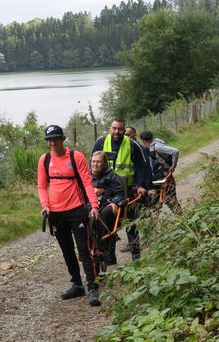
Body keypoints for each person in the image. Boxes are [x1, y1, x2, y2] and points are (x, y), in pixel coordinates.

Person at [37, 125, 102, 307]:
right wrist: (45, 205)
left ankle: (92, 287)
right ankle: (77, 284)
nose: (53, 142)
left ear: (63, 139)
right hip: (56, 214)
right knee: (67, 250)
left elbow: (88, 183)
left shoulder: (76, 156)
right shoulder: (44, 160)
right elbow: (42, 186)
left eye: (56, 138)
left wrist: (94, 206)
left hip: (76, 210)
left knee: (84, 250)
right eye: (49, 139)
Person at [92, 119, 154, 262]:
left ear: (124, 130)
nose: (116, 132)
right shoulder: (100, 142)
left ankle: (136, 256)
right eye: (114, 128)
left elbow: (142, 167)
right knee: (108, 224)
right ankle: (110, 257)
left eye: (120, 129)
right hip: (105, 192)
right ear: (110, 128)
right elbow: (93, 165)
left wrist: (140, 185)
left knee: (130, 223)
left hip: (127, 190)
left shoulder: (132, 144)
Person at [90, 151, 126, 264]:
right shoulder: (87, 176)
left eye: (98, 162)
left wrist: (115, 202)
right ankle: (87, 246)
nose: (95, 164)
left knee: (106, 212)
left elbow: (120, 193)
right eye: (93, 161)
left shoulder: (112, 175)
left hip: (108, 204)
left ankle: (101, 249)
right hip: (92, 205)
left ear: (104, 163)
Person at [139, 131, 182, 215]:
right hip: (158, 176)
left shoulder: (157, 146)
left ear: (143, 140)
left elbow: (175, 151)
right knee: (156, 203)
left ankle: (183, 220)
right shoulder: (150, 147)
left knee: (171, 200)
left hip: (165, 176)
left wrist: (173, 166)